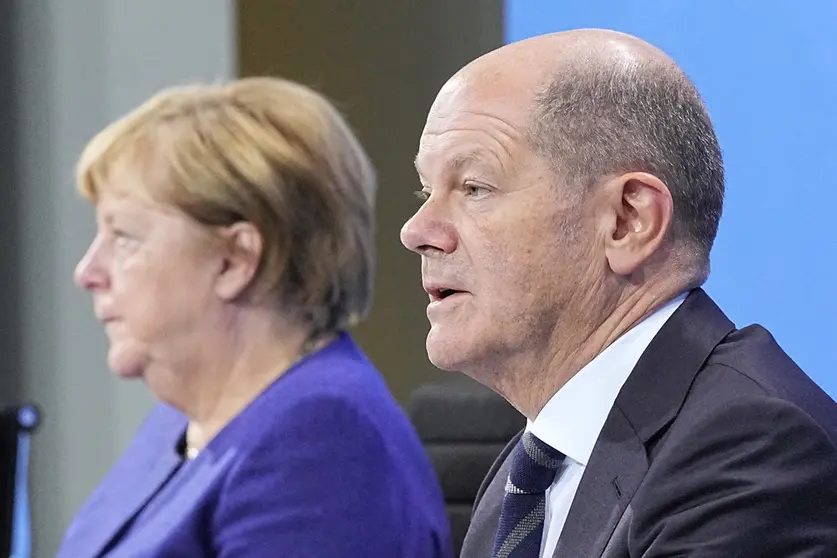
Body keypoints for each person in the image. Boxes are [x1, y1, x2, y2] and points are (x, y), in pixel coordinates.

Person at [400, 28, 837, 557]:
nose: (417, 230)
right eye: (428, 191)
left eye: (474, 187)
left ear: (629, 220)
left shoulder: (752, 448)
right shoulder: (531, 469)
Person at [58, 76, 453, 558]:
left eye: (124, 237)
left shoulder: (320, 444)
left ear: (234, 261)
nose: (88, 271)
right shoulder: (180, 422)